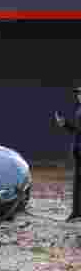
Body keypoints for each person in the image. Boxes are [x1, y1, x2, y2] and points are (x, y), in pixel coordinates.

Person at [55, 86, 81, 220]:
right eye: (78, 93)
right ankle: (77, 211)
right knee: (77, 183)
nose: (79, 95)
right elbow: (78, 132)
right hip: (78, 150)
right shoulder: (79, 110)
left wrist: (65, 124)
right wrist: (65, 124)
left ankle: (77, 211)